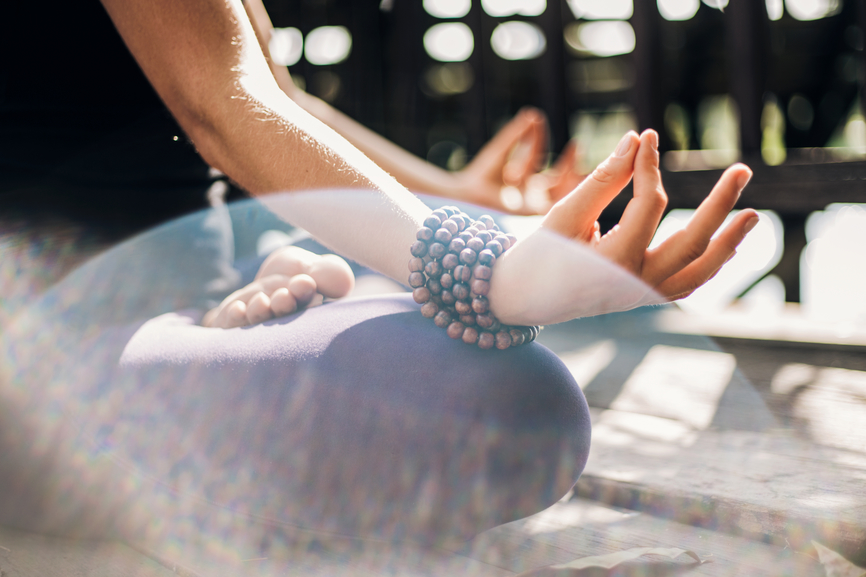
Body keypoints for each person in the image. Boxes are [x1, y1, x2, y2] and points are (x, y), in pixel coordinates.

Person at [0, 0, 759, 566]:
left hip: (203, 264)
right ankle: (229, 340)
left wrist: (466, 201)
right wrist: (483, 272)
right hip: (38, 349)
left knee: (526, 322)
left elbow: (272, 96)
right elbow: (222, 104)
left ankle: (242, 322)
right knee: (510, 413)